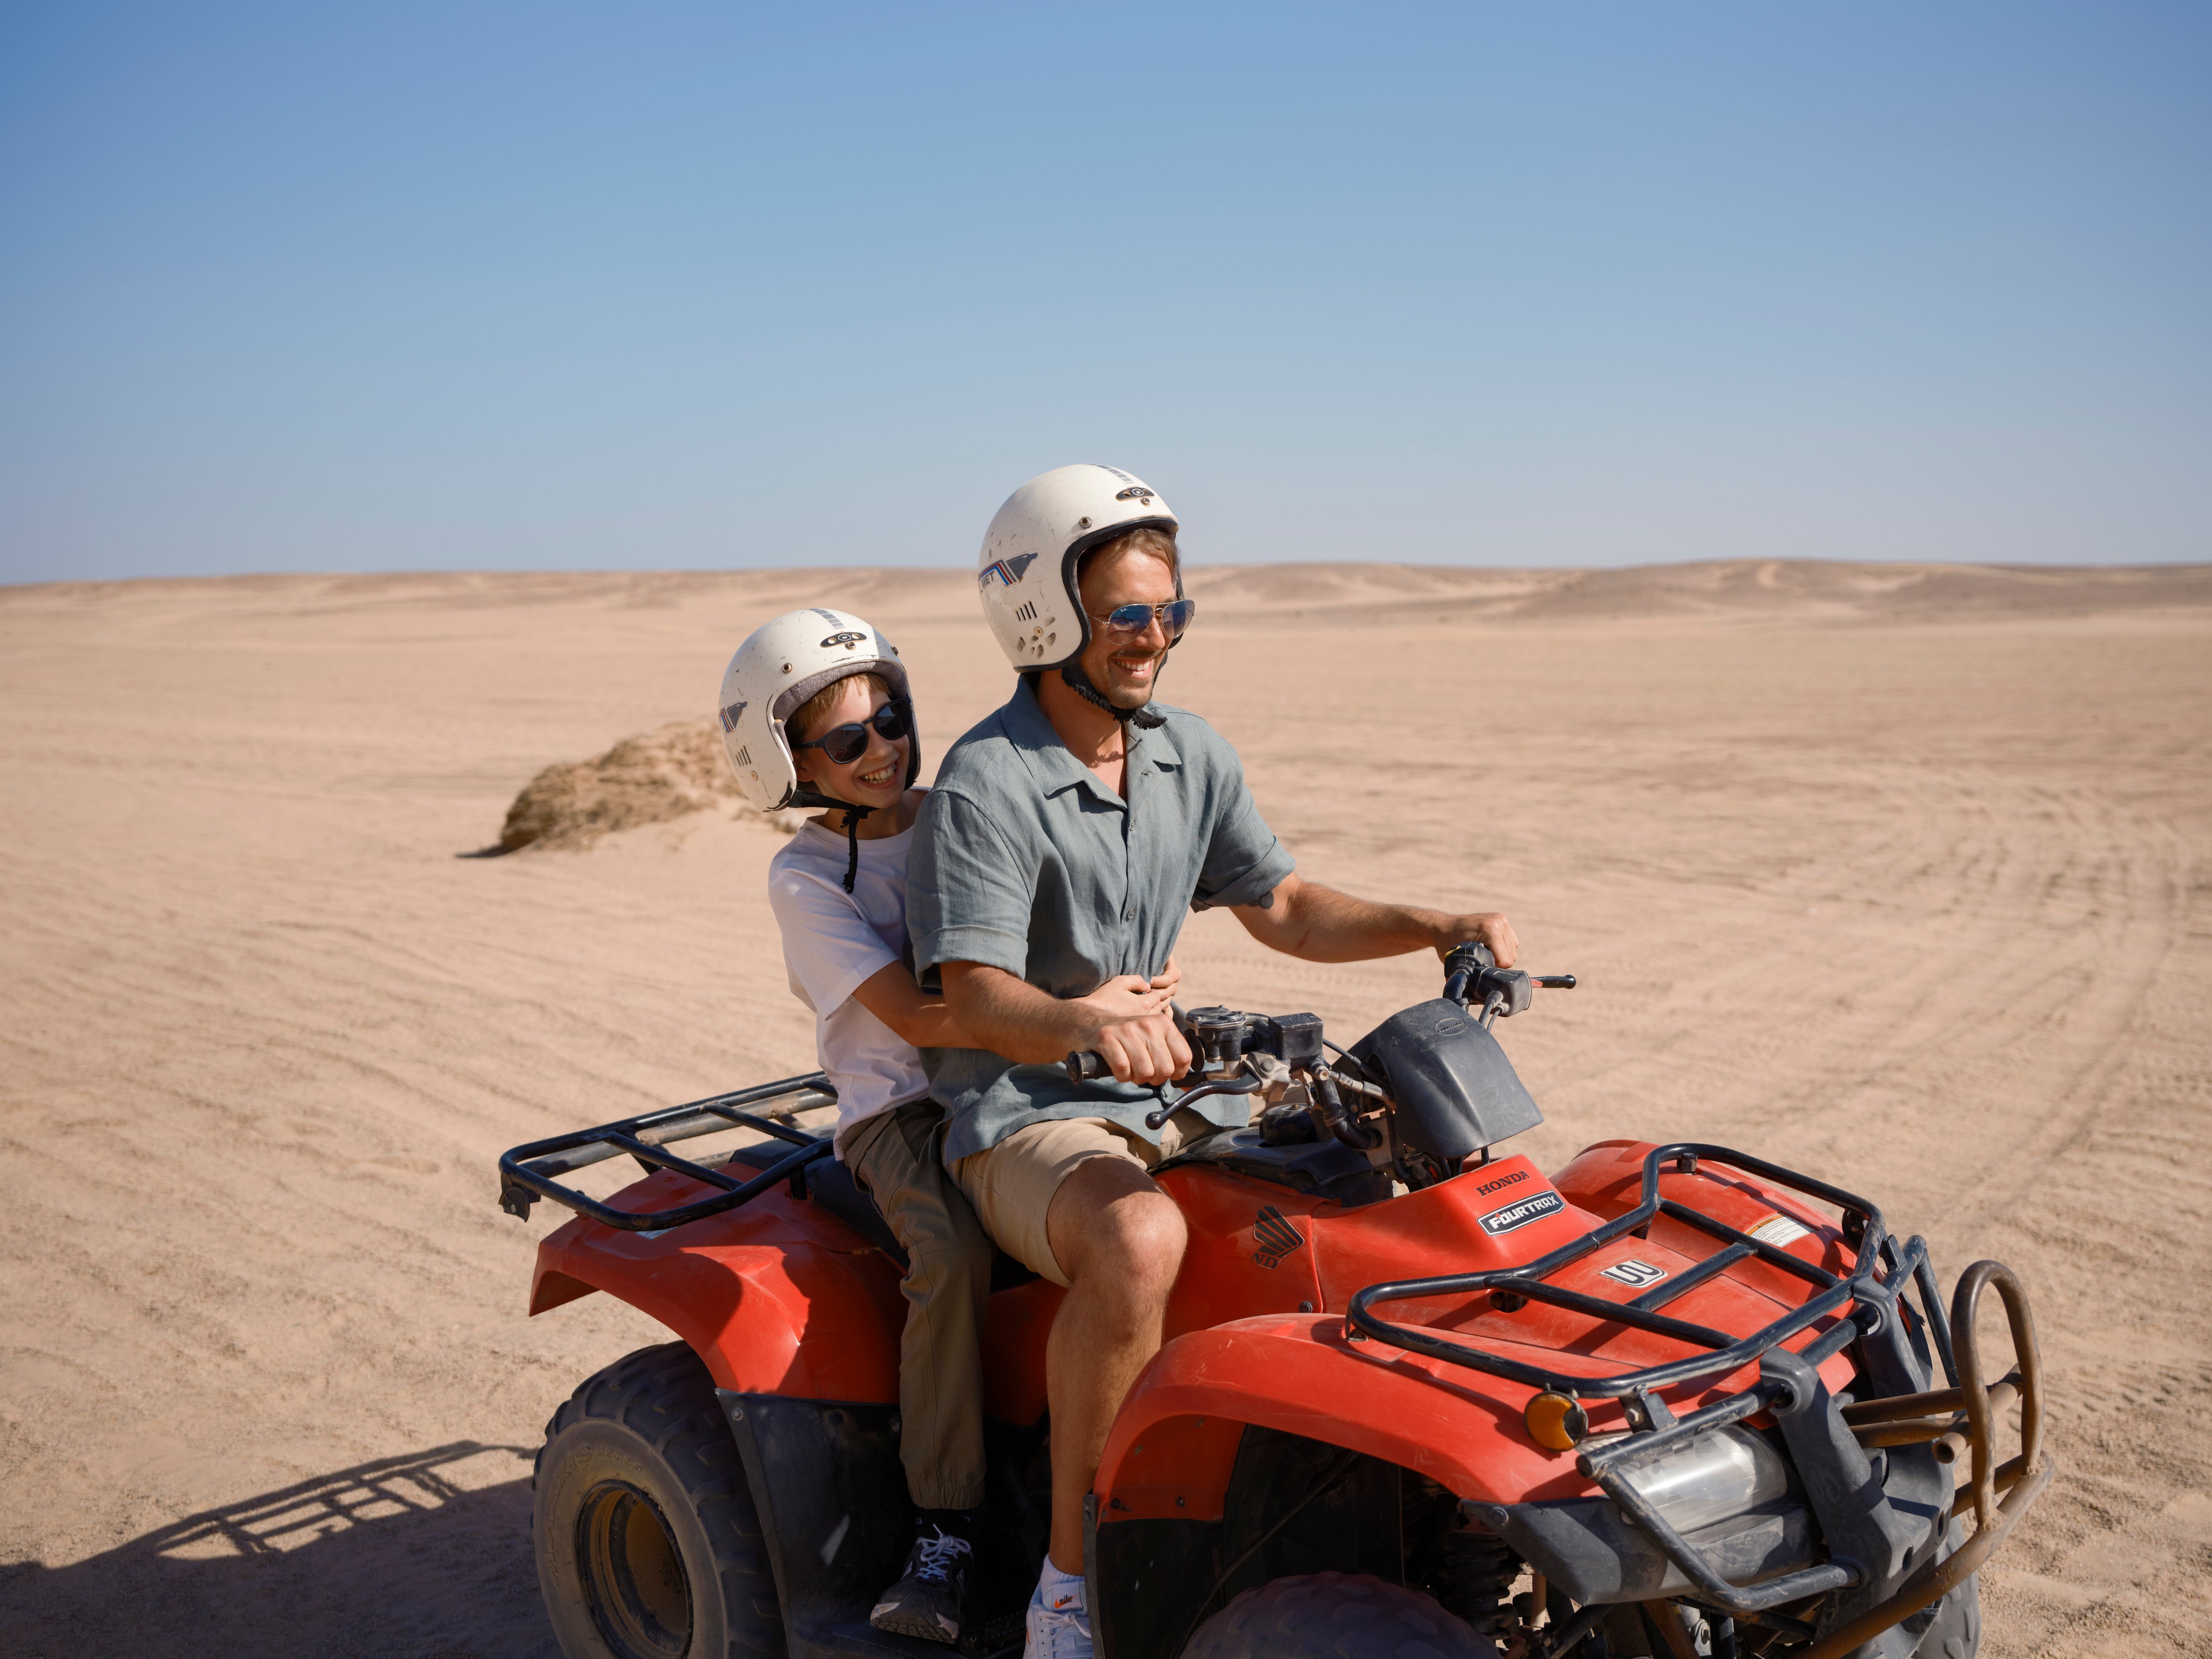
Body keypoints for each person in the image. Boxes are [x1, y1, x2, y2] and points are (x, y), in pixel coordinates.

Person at [907, 466, 1521, 1659]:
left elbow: (1283, 904)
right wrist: (1086, 1022)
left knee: (1378, 1187)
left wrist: (1434, 922)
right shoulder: (988, 780)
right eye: (1127, 616)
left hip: (1172, 1088)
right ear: (1045, 619)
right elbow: (972, 998)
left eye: (1169, 613)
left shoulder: (1186, 754)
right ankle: (1070, 1591)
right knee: (1139, 1242)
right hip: (1025, 1109)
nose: (1154, 641)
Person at [714, 607, 1179, 1646]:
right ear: (784, 762)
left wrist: (1125, 986)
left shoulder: (960, 806)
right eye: (847, 741)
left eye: (893, 723)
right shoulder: (805, 875)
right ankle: (946, 1527)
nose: (882, 751)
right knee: (952, 1248)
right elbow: (926, 1017)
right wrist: (1078, 1020)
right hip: (906, 1106)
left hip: (1028, 1067)